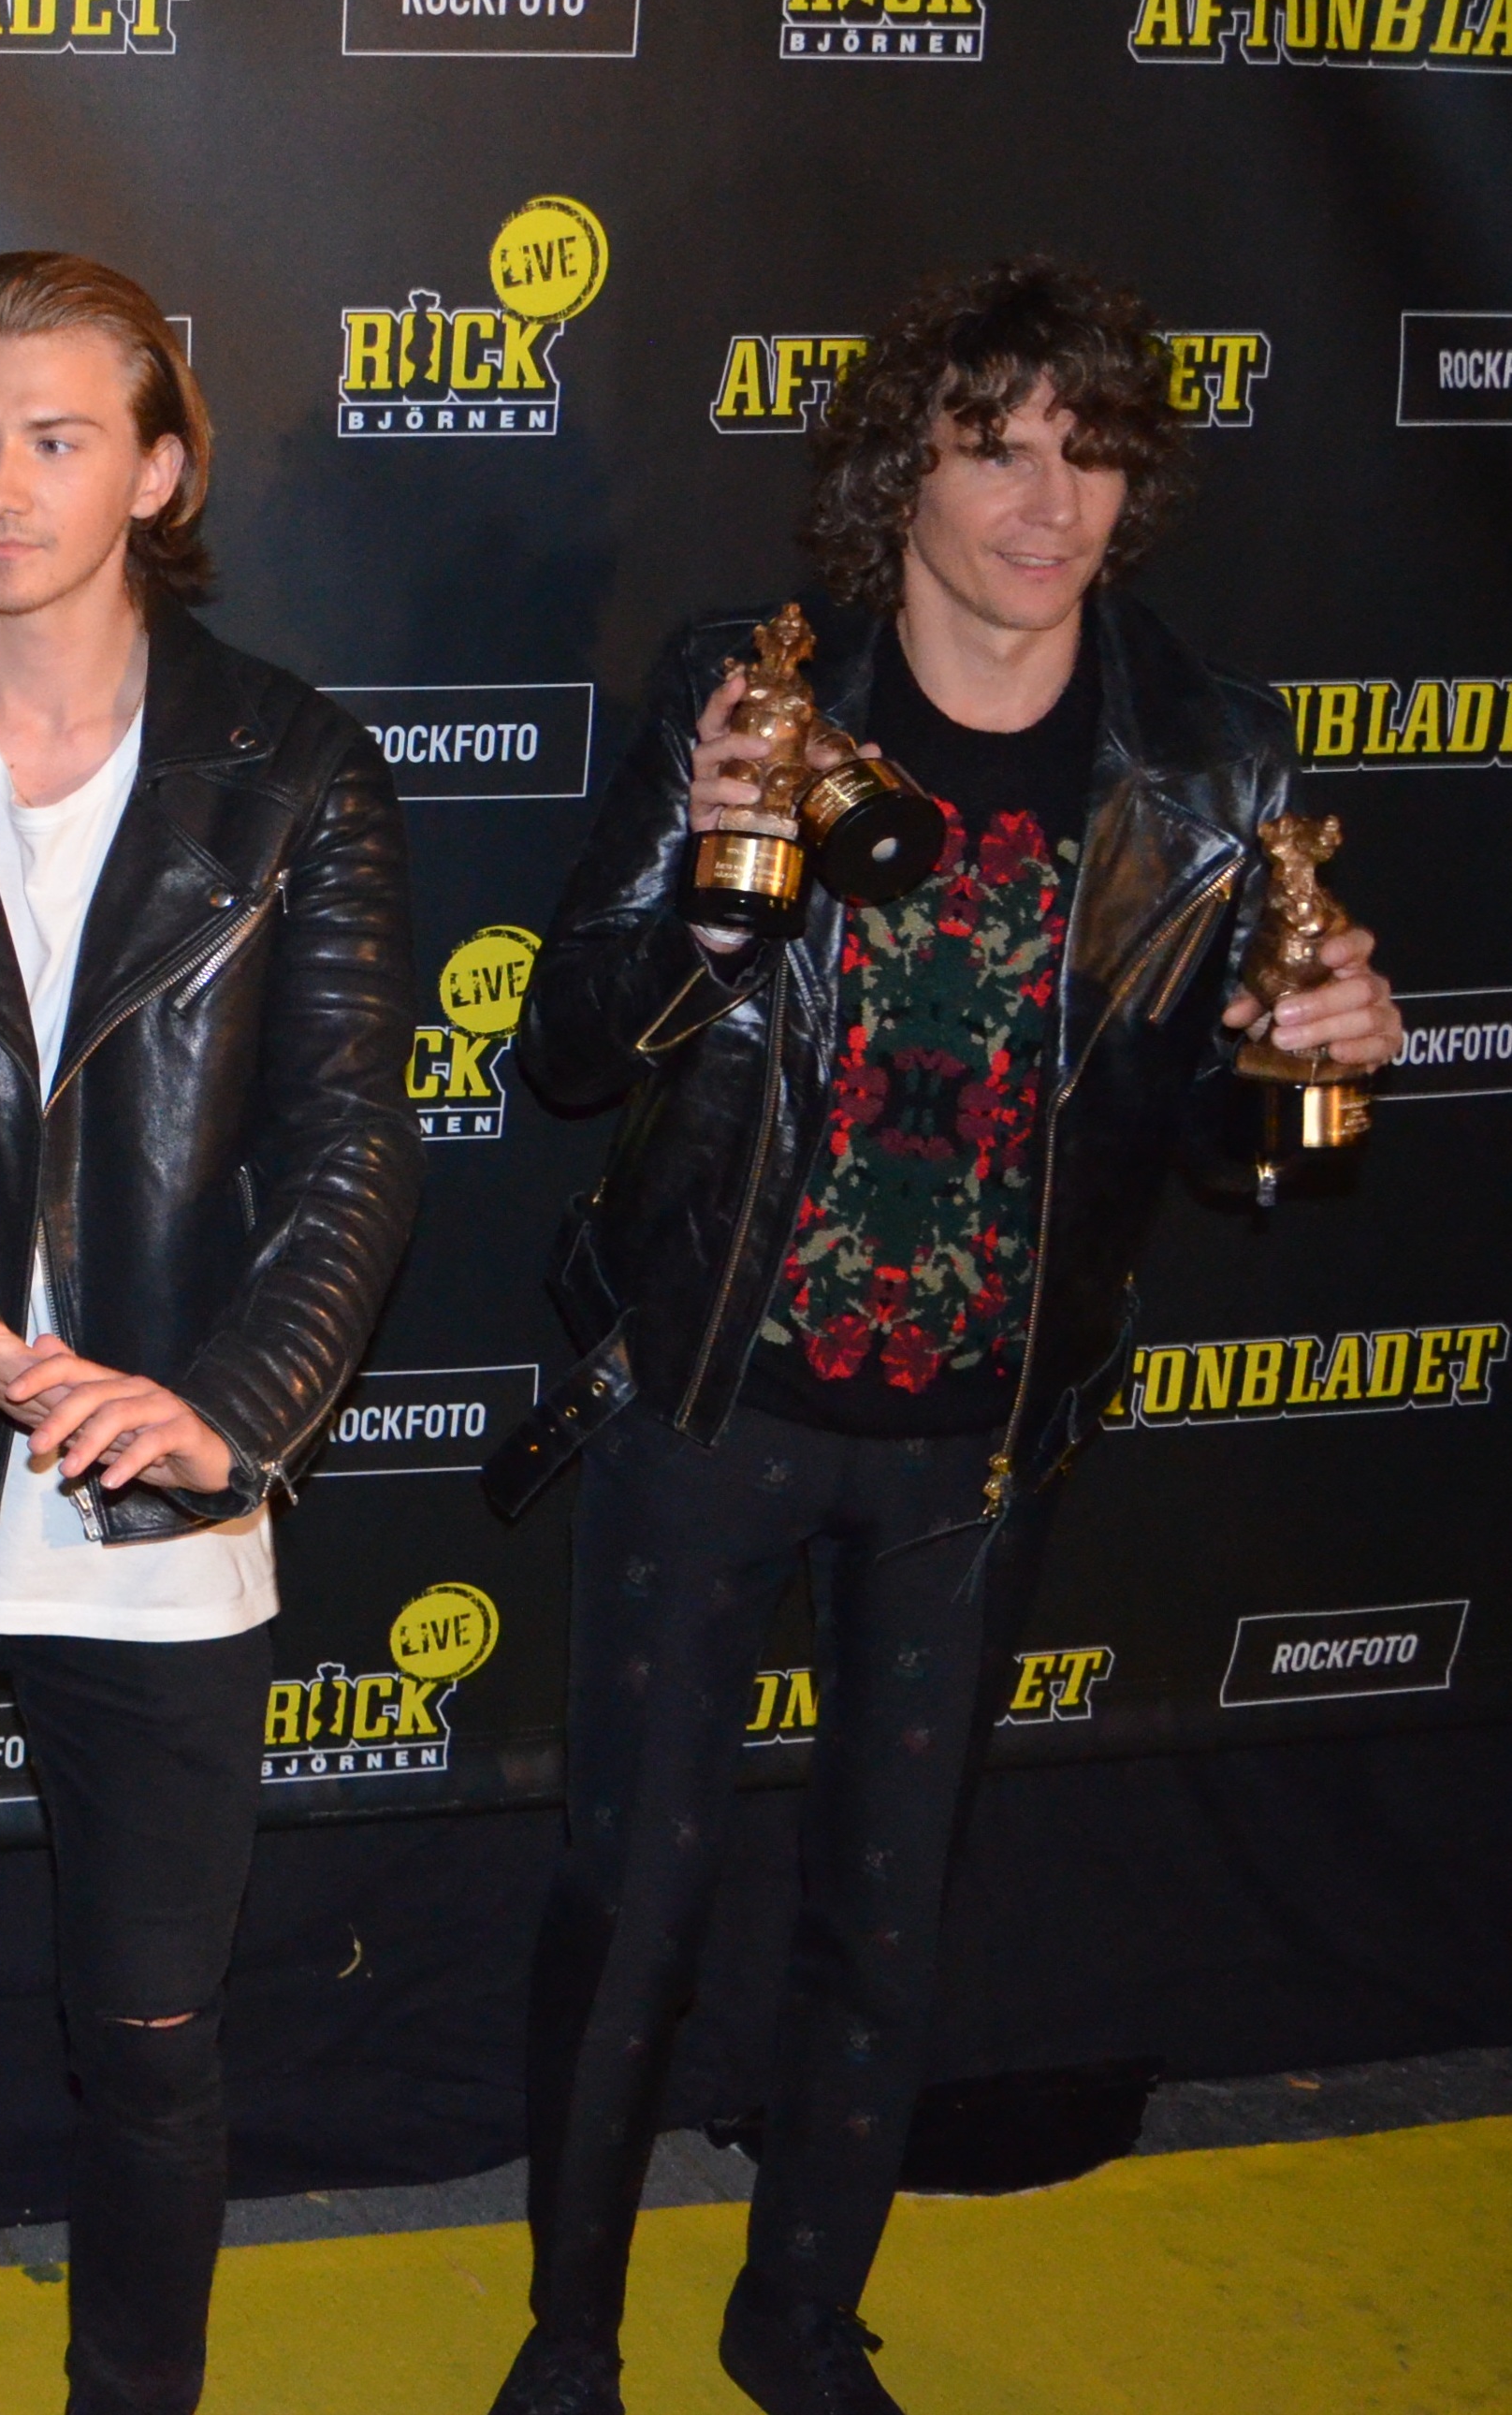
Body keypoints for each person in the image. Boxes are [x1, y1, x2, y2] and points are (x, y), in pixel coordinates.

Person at [485, 257, 1406, 2415]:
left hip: (979, 1444)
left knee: (889, 1919)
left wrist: (1306, 1059)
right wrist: (724, 893)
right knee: (636, 1899)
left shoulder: (1207, 754)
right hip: (711, 1395)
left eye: (1090, 454)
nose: (1046, 502)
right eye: (997, 449)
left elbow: (1191, 1135)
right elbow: (566, 1049)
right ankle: (570, 2332)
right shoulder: (753, 684)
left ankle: (798, 2318)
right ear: (902, 468)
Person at [0, 252, 420, 2415]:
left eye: (55, 437)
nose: (2, 486)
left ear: (158, 468)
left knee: (153, 2020)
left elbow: (351, 1138)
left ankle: (136, 2381)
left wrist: (226, 1406)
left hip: (162, 1504)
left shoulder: (292, 765)